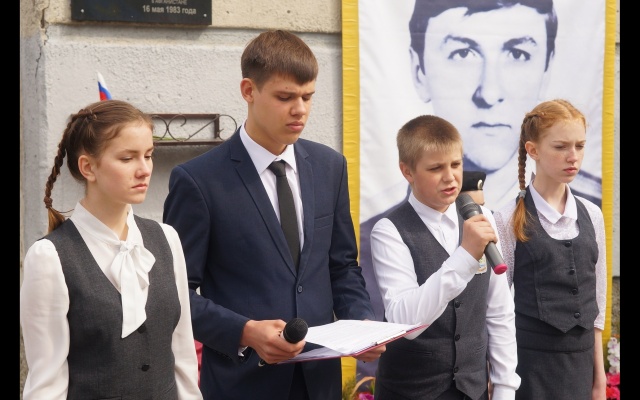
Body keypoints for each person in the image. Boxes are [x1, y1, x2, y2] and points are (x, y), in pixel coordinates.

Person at [162, 29, 383, 400]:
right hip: (242, 386)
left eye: (308, 96)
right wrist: (245, 332)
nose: (300, 109)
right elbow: (173, 292)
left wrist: (361, 322)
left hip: (320, 384)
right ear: (248, 90)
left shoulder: (330, 167)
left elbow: (342, 266)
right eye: (285, 97)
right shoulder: (199, 180)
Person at [19, 99, 202, 399]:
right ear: (88, 167)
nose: (144, 170)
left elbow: (183, 358)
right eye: (127, 158)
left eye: (148, 155)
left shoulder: (167, 239)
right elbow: (46, 386)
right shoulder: (50, 257)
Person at [370, 114, 520, 400]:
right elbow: (404, 321)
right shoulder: (389, 230)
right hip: (410, 391)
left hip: (472, 390)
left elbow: (499, 311)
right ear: (407, 171)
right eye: (436, 168)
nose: (450, 177)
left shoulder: (482, 218)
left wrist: (504, 388)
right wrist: (464, 256)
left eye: (456, 164)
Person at [493, 99, 607, 400]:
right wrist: (499, 379)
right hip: (531, 368)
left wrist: (599, 378)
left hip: (582, 366)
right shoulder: (507, 218)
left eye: (580, 146)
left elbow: (597, 304)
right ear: (533, 150)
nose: (573, 157)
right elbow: (496, 308)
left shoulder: (592, 215)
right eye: (560, 147)